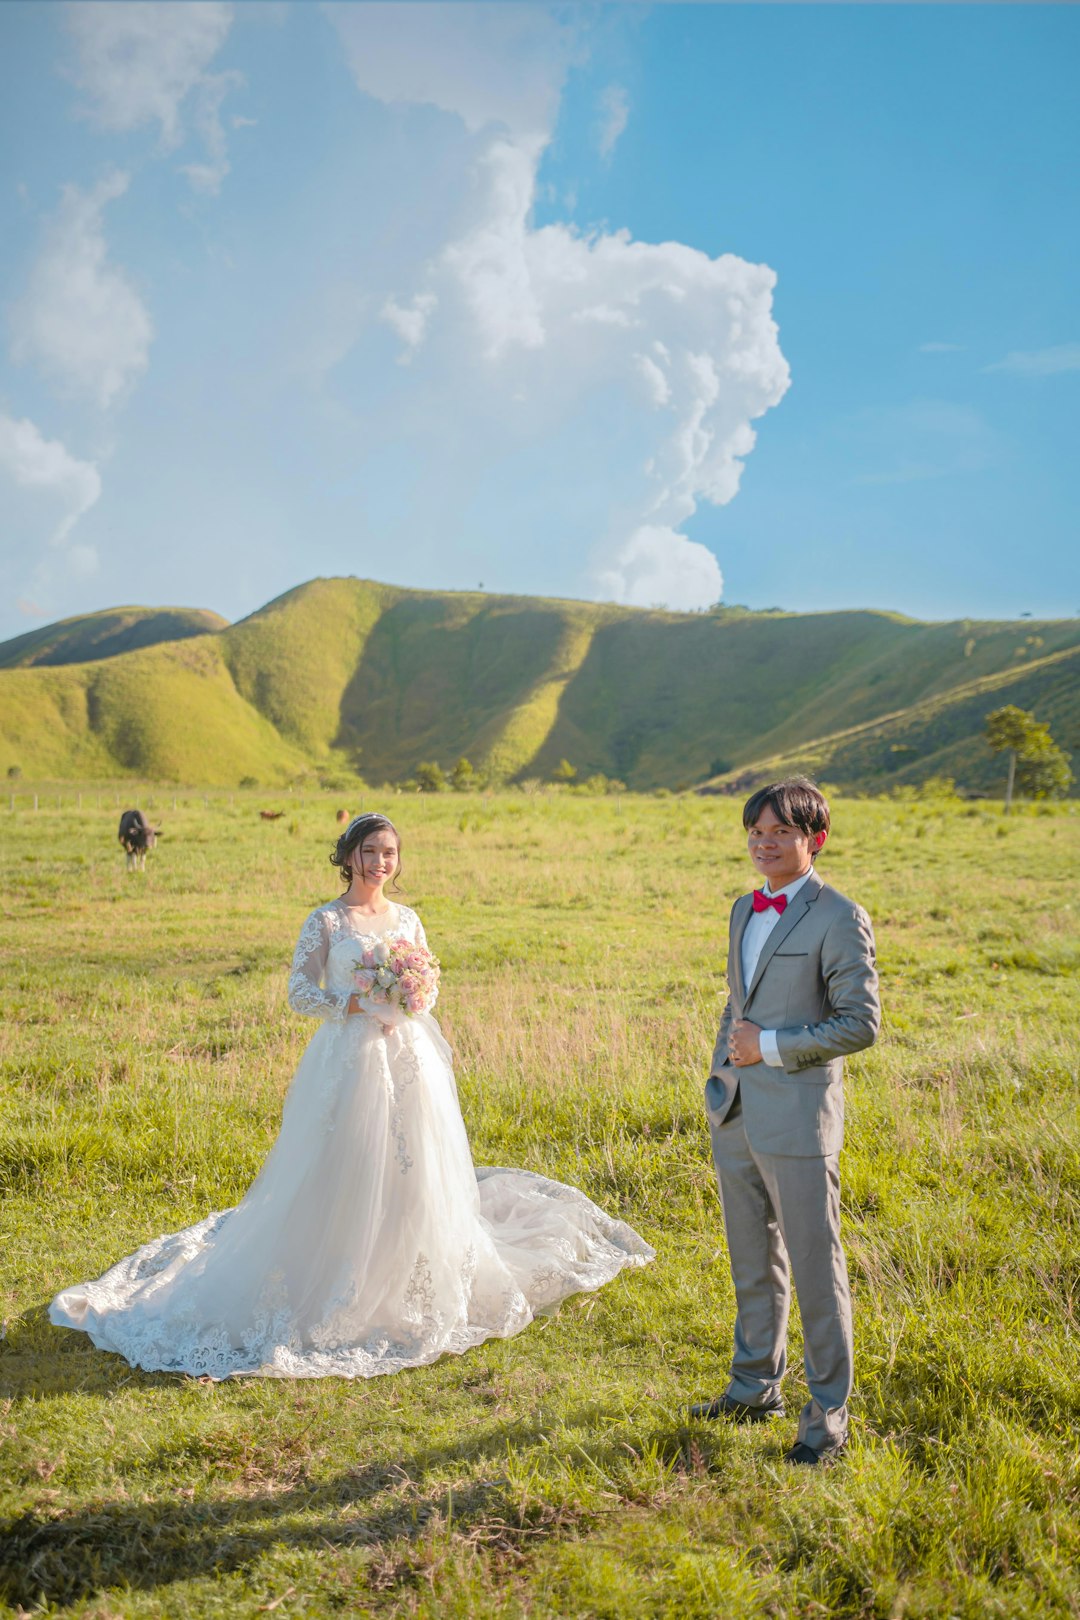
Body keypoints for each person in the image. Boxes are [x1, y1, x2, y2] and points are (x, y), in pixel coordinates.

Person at [50, 813, 653, 1378]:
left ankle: (407, 1266)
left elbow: (429, 983)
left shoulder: (408, 919)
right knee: (345, 1160)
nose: (380, 863)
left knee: (412, 1161)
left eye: (389, 853)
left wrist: (412, 999)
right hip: (349, 1057)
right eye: (369, 852)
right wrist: (355, 1003)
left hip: (410, 1058)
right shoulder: (327, 921)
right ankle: (334, 1271)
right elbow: (298, 992)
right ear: (349, 857)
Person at [693, 779, 880, 1464]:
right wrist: (722, 1078)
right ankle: (752, 1387)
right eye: (756, 832)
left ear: (814, 840)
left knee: (814, 1265)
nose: (764, 843)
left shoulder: (839, 916)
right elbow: (737, 1003)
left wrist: (768, 1048)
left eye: (780, 833)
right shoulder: (745, 907)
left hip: (800, 1120)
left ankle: (828, 1415)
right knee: (752, 1261)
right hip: (738, 1110)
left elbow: (860, 1025)